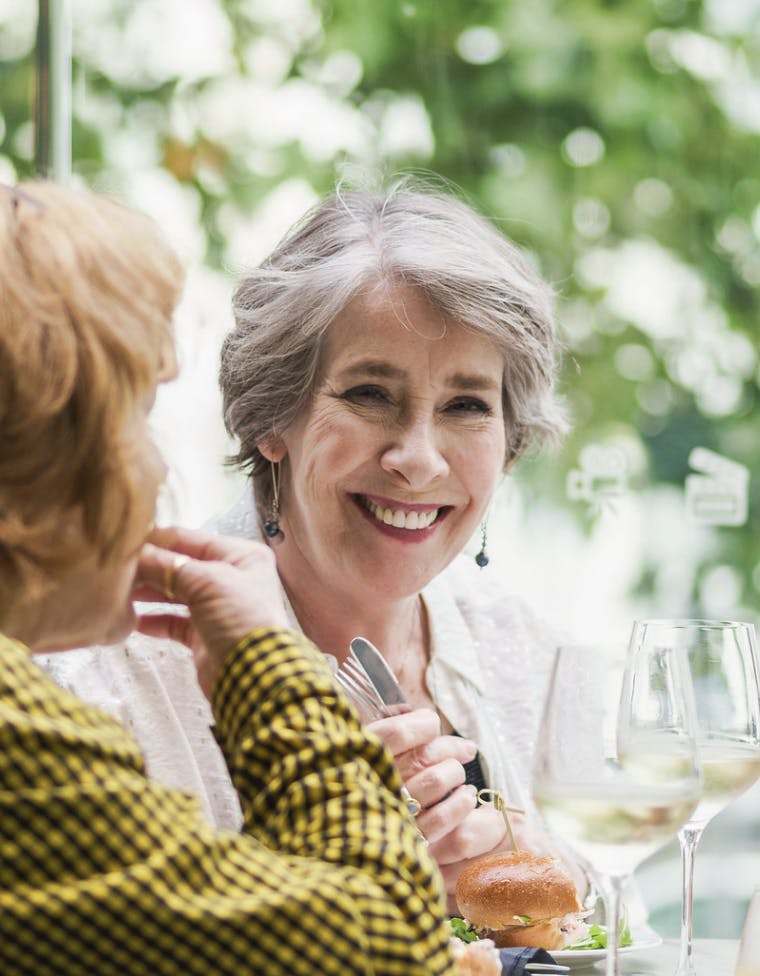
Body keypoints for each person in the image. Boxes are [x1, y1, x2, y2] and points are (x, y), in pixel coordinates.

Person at [41, 178, 583, 911]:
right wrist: (353, 877)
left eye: (466, 405)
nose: (418, 459)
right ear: (273, 417)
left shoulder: (535, 657)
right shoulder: (106, 680)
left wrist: (544, 880)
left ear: (509, 444)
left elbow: (631, 935)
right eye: (369, 394)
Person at [0, 180, 458, 975]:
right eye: (134, 417)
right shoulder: (27, 742)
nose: (157, 473)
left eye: (467, 405)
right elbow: (389, 947)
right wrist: (269, 671)